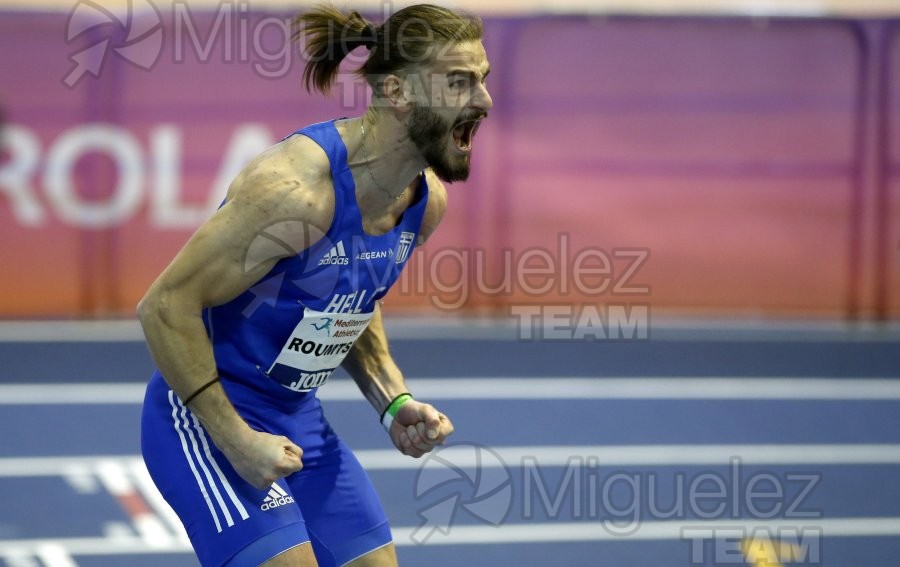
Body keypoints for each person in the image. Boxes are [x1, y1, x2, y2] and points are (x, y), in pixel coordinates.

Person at [139, 3, 492, 567]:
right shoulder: (297, 189)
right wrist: (236, 440)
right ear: (397, 93)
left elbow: (351, 294)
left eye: (483, 79)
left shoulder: (424, 203)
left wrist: (390, 397)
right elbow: (164, 305)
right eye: (460, 81)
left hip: (298, 425)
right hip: (207, 421)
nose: (484, 100)